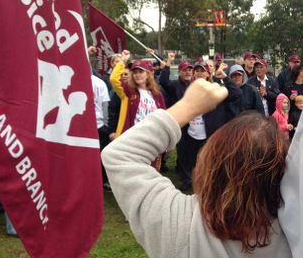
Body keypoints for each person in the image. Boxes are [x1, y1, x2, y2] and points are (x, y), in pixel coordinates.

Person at [101, 78, 292, 258]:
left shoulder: (176, 222)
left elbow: (120, 155)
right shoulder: (301, 234)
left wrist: (188, 107)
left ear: (210, 161)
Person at [178, 62, 241, 191]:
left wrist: (225, 77)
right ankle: (189, 180)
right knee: (190, 159)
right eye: (197, 71)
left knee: (210, 161)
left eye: (203, 71)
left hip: (210, 134)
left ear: (208, 74)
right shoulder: (188, 89)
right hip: (191, 133)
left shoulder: (216, 88)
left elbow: (236, 93)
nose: (199, 73)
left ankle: (210, 183)